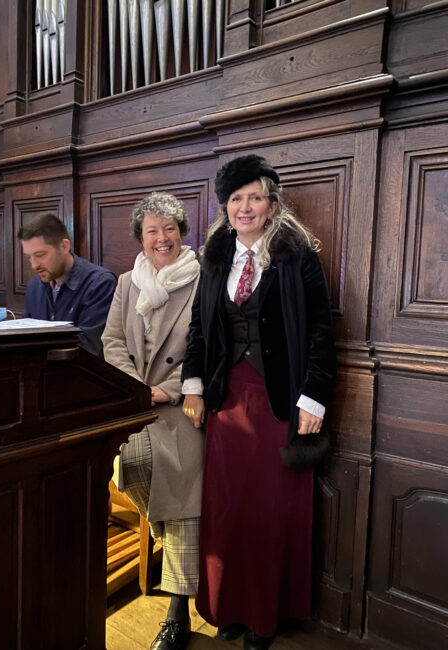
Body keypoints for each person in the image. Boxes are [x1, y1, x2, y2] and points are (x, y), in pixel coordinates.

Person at [181, 155, 337, 650]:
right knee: (228, 510)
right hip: (227, 401)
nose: (244, 207)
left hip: (280, 401)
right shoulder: (213, 254)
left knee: (269, 511)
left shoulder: (296, 255)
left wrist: (314, 396)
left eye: (254, 197)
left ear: (271, 204)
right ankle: (228, 608)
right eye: (235, 199)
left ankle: (264, 618)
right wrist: (193, 384)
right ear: (224, 207)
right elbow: (200, 327)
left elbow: (320, 330)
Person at [102, 192, 204, 650]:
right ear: (140, 240)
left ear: (182, 232)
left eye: (169, 229)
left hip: (184, 404)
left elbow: (212, 349)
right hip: (135, 401)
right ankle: (165, 531)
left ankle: (177, 612)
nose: (162, 238)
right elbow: (113, 339)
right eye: (152, 231)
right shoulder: (128, 282)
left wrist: (171, 389)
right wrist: (134, 389)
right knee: (127, 464)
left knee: (181, 478)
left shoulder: (203, 280)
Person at [18, 212, 117, 356]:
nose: (34, 265)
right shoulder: (35, 286)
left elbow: (87, 349)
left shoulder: (100, 283)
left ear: (64, 246)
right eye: (29, 257)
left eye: (40, 255)